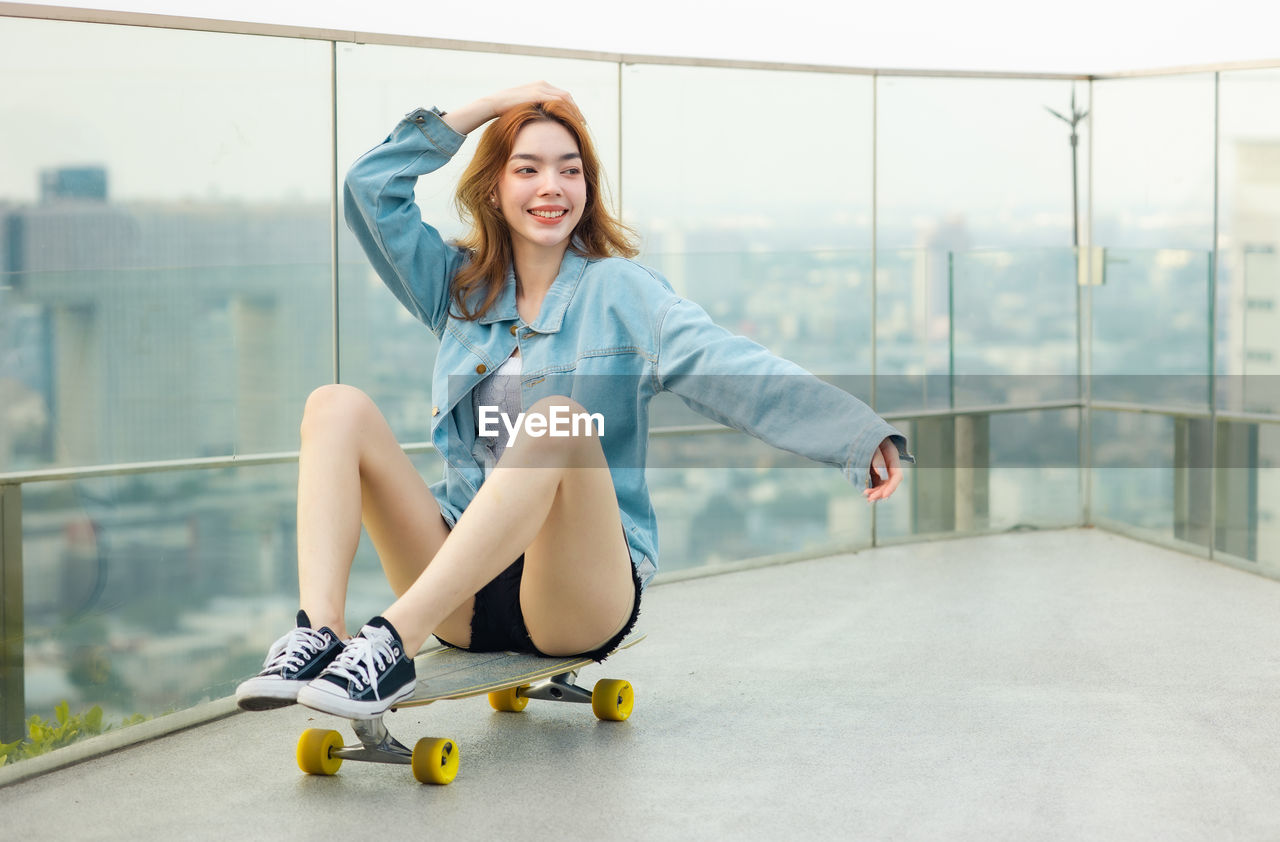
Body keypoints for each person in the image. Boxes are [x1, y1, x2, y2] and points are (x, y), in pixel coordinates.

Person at [235, 82, 912, 719]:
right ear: (493, 190)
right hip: (460, 592)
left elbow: (731, 366)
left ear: (587, 187)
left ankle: (389, 645)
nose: (551, 187)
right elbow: (370, 188)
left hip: (576, 594)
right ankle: (318, 636)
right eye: (527, 169)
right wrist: (502, 102)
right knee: (335, 404)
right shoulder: (461, 289)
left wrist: (857, 436)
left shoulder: (620, 292)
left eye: (570, 169)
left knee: (557, 418)